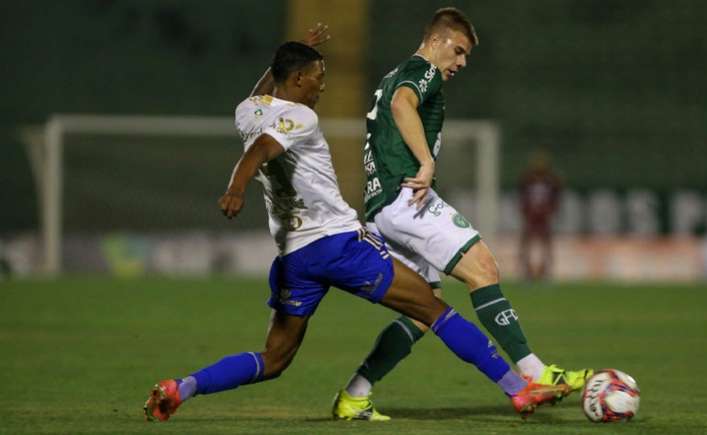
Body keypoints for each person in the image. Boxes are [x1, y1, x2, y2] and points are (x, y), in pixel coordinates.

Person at [143, 29, 569, 423]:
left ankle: (181, 388)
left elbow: (262, 100)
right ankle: (519, 389)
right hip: (340, 245)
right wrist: (235, 187)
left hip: (295, 258)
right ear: (295, 81)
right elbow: (263, 148)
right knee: (433, 308)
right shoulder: (303, 119)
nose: (322, 85)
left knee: (274, 359)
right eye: (316, 76)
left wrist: (296, 50)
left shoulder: (247, 110)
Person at [332, 8, 592, 421]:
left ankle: (355, 394)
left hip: (382, 207)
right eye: (458, 51)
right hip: (408, 197)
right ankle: (535, 372)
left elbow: (394, 104)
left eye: (466, 56)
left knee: (423, 309)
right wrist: (426, 163)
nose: (461, 63)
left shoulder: (392, 74)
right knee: (484, 268)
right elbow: (403, 105)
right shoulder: (423, 70)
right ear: (435, 41)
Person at [518, 151, 562, 281]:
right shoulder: (528, 179)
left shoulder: (552, 180)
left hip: (544, 217)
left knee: (546, 245)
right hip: (531, 217)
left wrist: (551, 210)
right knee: (527, 244)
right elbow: (522, 197)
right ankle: (527, 272)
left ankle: (545, 272)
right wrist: (525, 211)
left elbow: (556, 198)